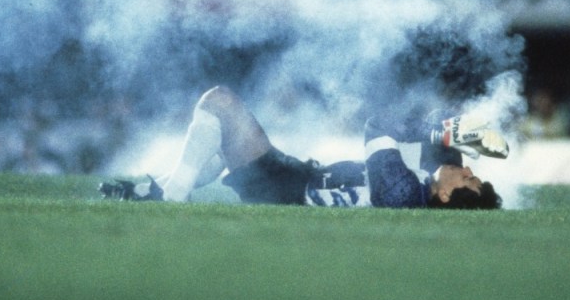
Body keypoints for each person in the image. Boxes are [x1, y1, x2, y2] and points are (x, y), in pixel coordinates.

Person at [101, 85, 505, 209]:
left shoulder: (402, 192)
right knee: (223, 143)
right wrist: (459, 136)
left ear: (449, 193)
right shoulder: (422, 190)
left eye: (469, 179)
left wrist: (443, 133)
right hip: (295, 178)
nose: (469, 170)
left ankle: (171, 199)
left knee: (218, 103)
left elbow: (377, 125)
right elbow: (440, 137)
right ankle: (155, 189)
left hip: (286, 187)